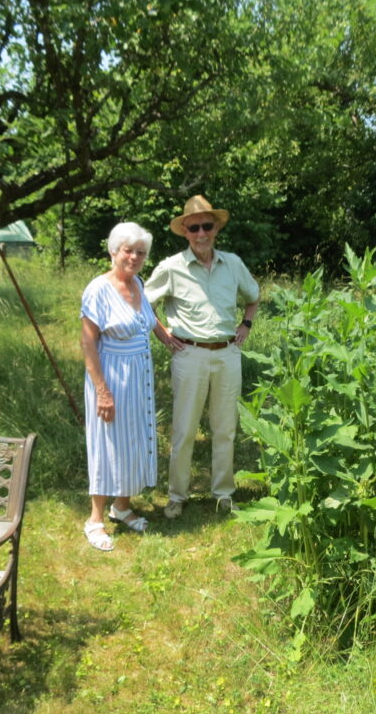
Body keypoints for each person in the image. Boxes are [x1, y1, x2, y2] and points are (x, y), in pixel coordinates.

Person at [145, 195, 260, 518]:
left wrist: (246, 325)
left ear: (216, 228)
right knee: (184, 429)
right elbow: (143, 304)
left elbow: (254, 297)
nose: (201, 234)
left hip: (227, 354)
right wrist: (162, 335)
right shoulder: (171, 267)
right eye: (194, 227)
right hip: (189, 355)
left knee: (225, 428)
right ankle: (177, 496)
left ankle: (223, 494)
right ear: (185, 231)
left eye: (206, 226)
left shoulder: (233, 263)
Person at [80, 222, 160, 551]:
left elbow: (150, 322)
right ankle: (95, 519)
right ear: (114, 251)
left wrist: (171, 340)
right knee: (108, 442)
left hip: (139, 376)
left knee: (134, 439)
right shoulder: (98, 289)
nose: (134, 257)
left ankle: (122, 506)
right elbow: (87, 344)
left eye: (140, 252)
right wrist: (102, 391)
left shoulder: (139, 283)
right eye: (128, 250)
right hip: (111, 377)